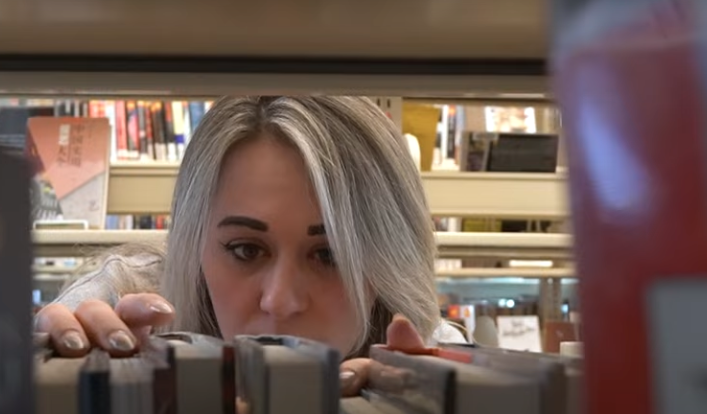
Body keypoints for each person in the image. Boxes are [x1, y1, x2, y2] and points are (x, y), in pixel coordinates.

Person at [34, 95, 466, 394]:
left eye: (330, 255)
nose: (280, 301)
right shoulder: (122, 304)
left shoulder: (425, 355)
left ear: (388, 260)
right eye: (246, 250)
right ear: (193, 242)